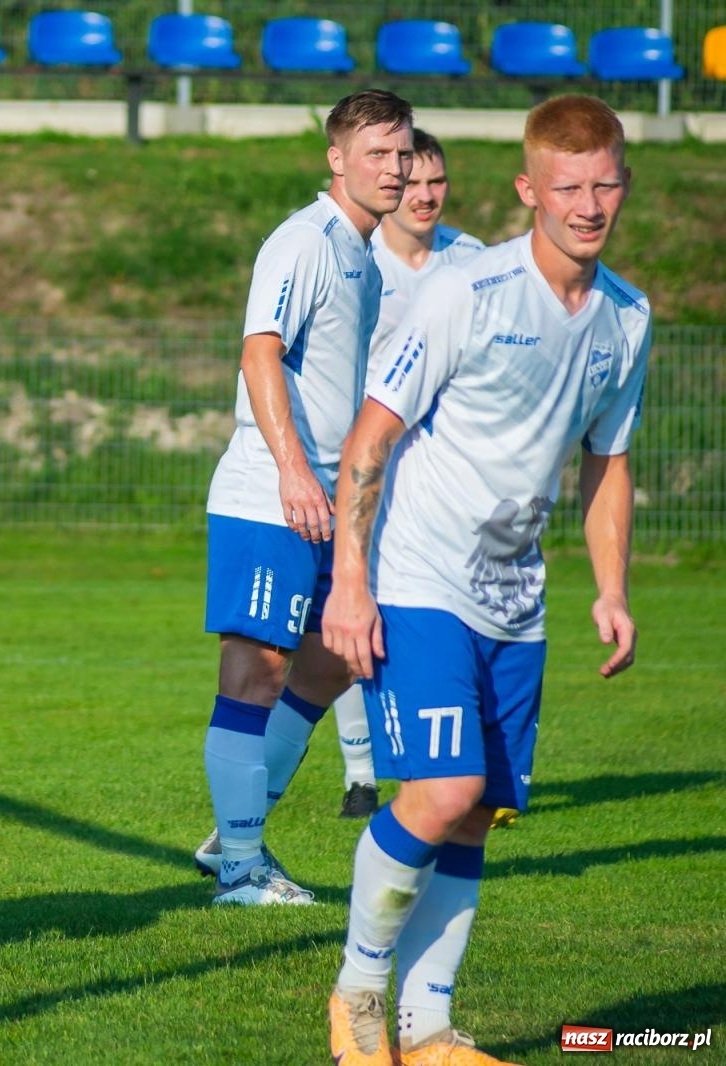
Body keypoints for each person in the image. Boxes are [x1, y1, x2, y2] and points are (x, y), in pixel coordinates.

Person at [322, 95, 648, 1066]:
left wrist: (611, 588)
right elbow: (370, 438)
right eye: (567, 187)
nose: (587, 206)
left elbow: (607, 461)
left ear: (624, 185)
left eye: (604, 186)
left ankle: (427, 1031)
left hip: (517, 598)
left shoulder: (627, 318)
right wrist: (349, 581)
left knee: (474, 814)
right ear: (528, 190)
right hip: (420, 576)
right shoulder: (467, 290)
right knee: (442, 787)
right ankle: (356, 997)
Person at [193, 90, 413, 904]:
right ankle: (240, 868)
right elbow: (261, 352)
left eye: (402, 152)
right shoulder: (305, 240)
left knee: (335, 660)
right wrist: (292, 470)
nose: (394, 168)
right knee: (256, 672)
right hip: (270, 493)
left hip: (326, 501)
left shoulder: (365, 257)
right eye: (377, 153)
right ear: (337, 158)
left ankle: (233, 834)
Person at [336, 128, 487, 820]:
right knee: (356, 609)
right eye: (412, 181)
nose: (424, 194)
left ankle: (454, 764)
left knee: (453, 613)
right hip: (375, 473)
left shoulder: (474, 261)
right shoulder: (358, 260)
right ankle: (361, 773)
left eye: (437, 181)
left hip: (451, 480)